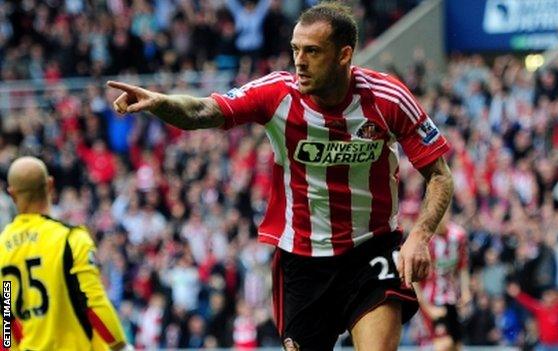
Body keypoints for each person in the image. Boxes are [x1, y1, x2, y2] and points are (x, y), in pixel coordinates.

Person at [107, 2, 454, 349]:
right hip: (302, 260)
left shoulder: (388, 98)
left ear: (344, 54)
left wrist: (420, 235)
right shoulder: (276, 94)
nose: (300, 61)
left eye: (313, 51)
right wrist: (160, 101)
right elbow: (203, 110)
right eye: (296, 49)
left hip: (370, 249)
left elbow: (439, 174)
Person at [0, 156, 132, 351]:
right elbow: (93, 301)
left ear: (12, 194)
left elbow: (6, 315)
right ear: (50, 185)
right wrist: (120, 345)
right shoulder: (71, 239)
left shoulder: (2, 247)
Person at [413, 211, 470, 351]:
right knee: (443, 345)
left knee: (456, 346)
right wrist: (427, 308)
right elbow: (414, 279)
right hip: (431, 301)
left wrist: (465, 290)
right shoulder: (423, 240)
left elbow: (463, 266)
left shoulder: (458, 236)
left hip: (451, 300)